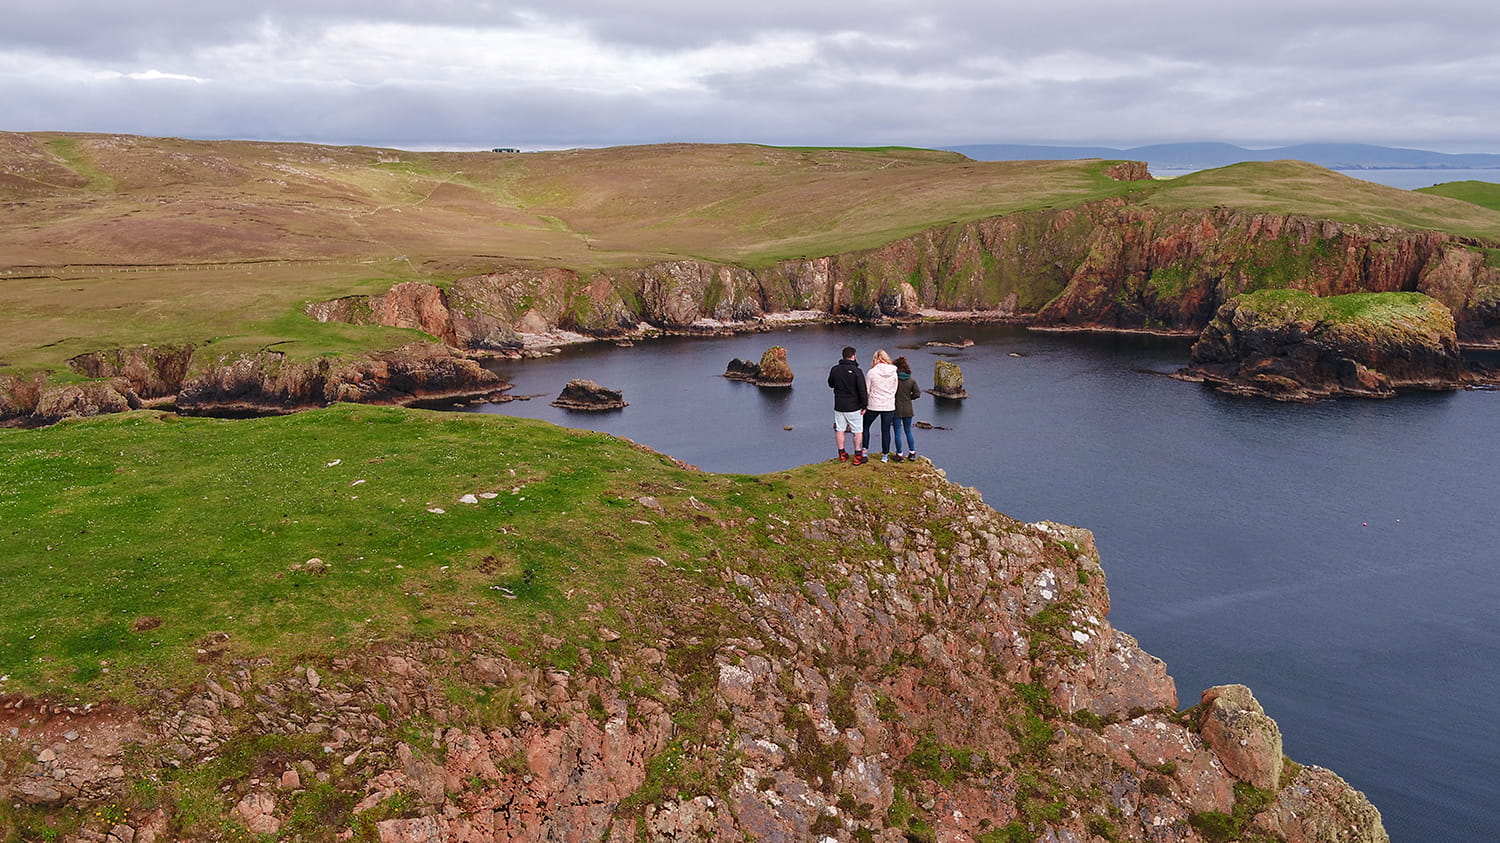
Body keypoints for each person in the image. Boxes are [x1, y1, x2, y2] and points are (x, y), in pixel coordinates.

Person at [827, 346, 868, 463]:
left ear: (843, 356)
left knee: (840, 429)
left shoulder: (835, 369)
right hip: (854, 406)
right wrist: (864, 405)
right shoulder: (857, 371)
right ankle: (858, 455)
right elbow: (862, 390)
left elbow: (830, 384)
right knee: (857, 431)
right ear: (854, 356)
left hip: (839, 405)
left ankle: (842, 454)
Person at [860, 349, 898, 463]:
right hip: (889, 405)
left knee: (865, 426)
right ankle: (885, 456)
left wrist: (864, 405)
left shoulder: (872, 372)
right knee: (885, 430)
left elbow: (867, 389)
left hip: (874, 404)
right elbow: (895, 388)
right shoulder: (894, 372)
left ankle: (864, 452)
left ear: (875, 359)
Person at [892, 356, 920, 461]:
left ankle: (899, 454)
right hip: (908, 409)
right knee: (908, 431)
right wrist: (909, 398)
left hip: (896, 409)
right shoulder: (911, 380)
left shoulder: (894, 380)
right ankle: (912, 453)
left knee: (897, 431)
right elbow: (917, 394)